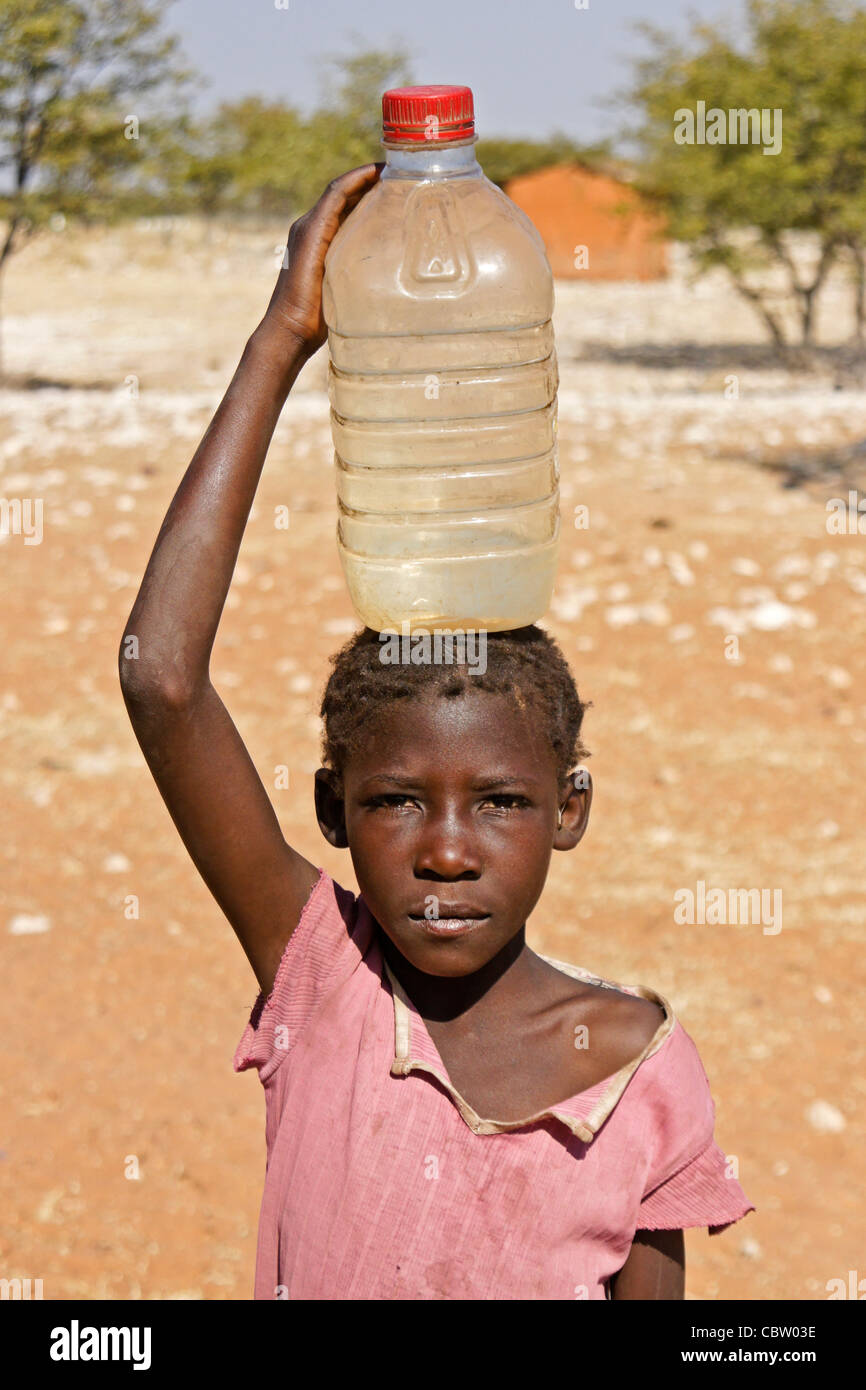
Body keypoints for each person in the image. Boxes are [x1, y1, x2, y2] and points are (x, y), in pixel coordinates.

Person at [119, 165, 754, 1300]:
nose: (446, 850)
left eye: (499, 801)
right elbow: (162, 681)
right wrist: (281, 337)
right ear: (330, 810)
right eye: (395, 799)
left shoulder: (633, 1073)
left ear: (569, 810)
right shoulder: (326, 979)